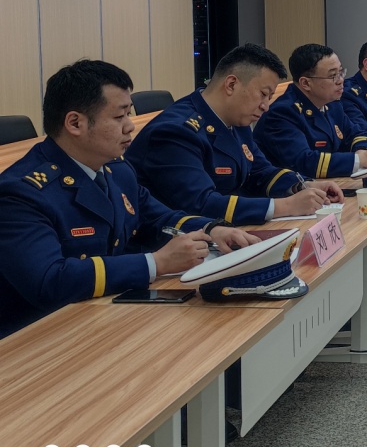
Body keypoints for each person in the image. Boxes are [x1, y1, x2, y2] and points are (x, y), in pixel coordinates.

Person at [0, 60, 257, 337]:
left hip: (104, 316)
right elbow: (50, 281)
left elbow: (157, 217)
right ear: (75, 123)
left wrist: (211, 230)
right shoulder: (21, 193)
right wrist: (155, 263)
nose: (130, 126)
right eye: (119, 117)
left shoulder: (116, 169)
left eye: (129, 114)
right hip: (40, 336)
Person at [128, 44, 342, 225]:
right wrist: (285, 206)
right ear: (231, 84)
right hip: (178, 244)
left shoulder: (236, 119)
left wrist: (302, 185)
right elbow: (201, 204)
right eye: (263, 94)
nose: (266, 106)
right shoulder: (176, 132)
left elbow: (259, 170)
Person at [254, 44, 367, 178]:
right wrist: (361, 159)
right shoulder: (282, 113)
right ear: (306, 83)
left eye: (341, 72)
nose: (340, 80)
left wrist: (362, 150)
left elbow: (355, 133)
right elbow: (304, 162)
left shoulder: (332, 103)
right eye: (333, 76)